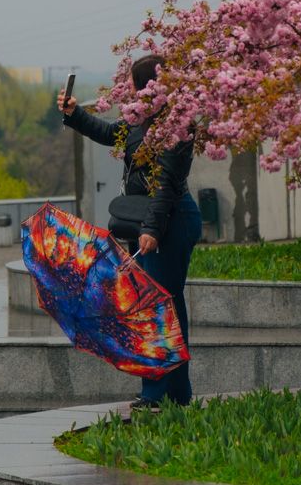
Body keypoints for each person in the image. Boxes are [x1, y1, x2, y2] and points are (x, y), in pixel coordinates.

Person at [57, 55, 200, 411]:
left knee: (154, 308)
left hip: (168, 221)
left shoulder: (174, 126)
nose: (132, 93)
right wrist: (75, 114)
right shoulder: (143, 121)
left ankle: (157, 394)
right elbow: (110, 133)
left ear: (150, 86)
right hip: (151, 221)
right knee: (164, 307)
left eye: (136, 86)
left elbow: (166, 184)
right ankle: (177, 393)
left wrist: (151, 230)